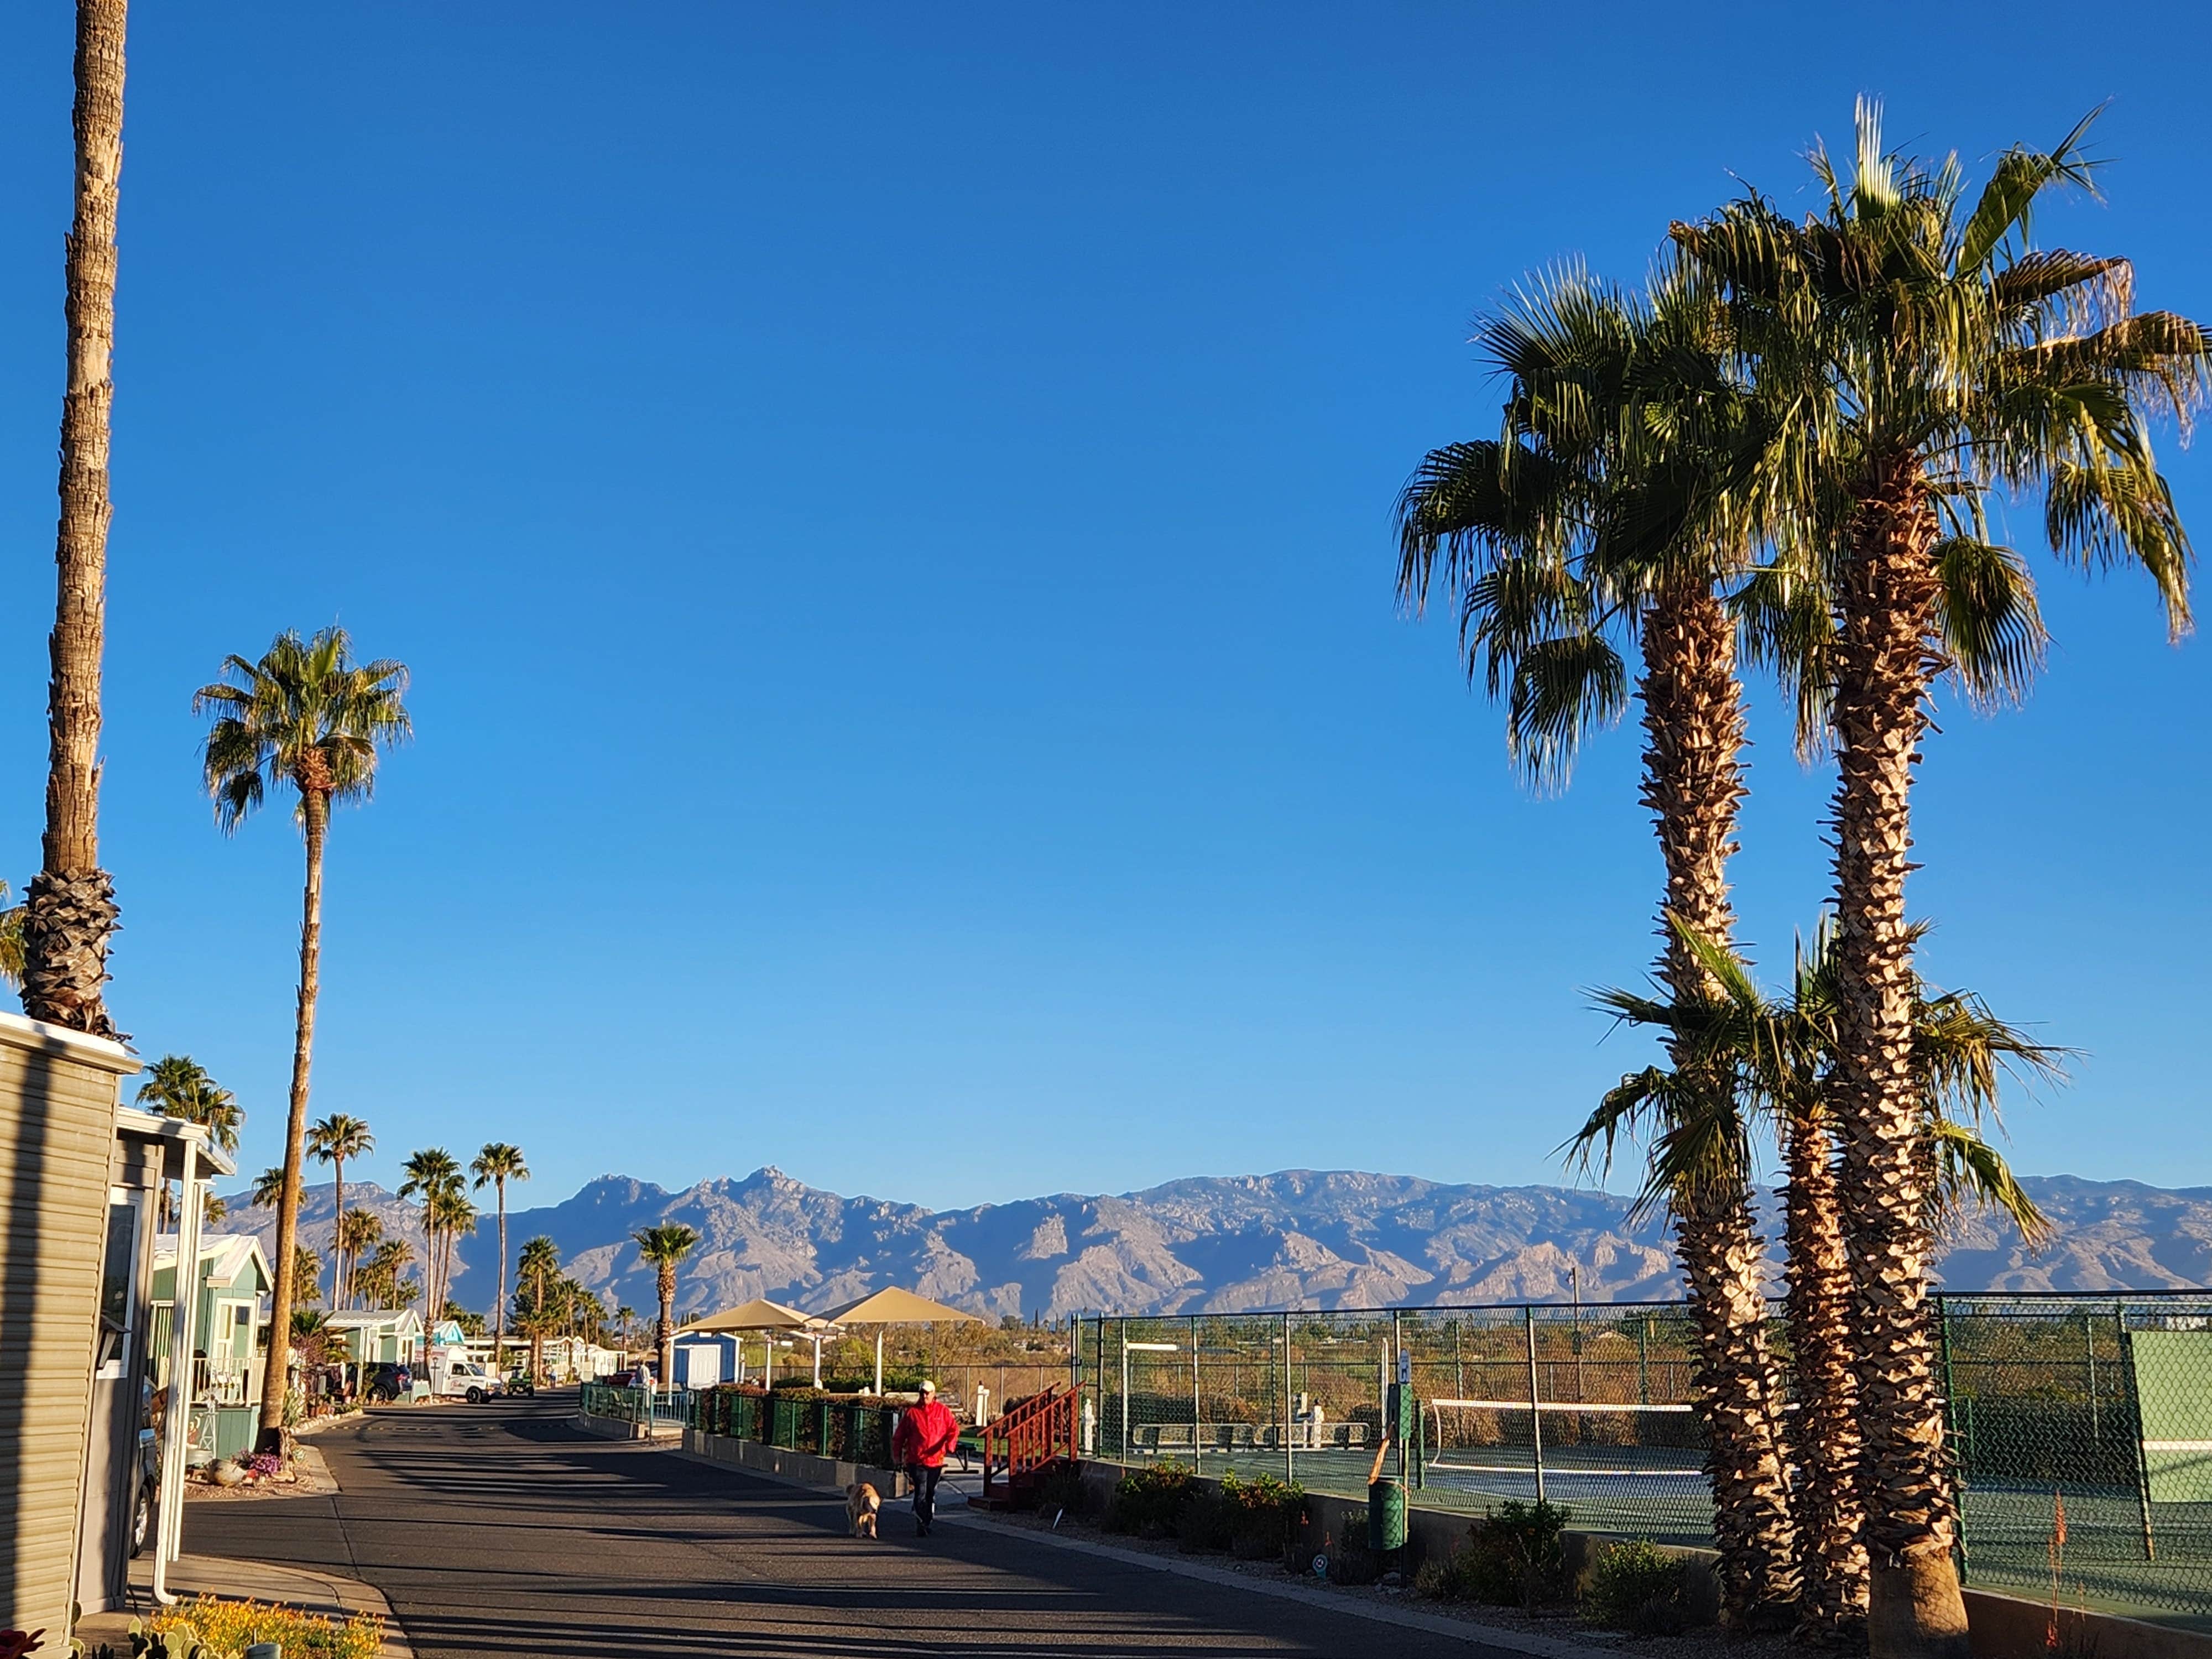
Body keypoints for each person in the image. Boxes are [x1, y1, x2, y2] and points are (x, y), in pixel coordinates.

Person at [891, 1378, 961, 1537]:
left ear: (933, 1394)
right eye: (922, 1393)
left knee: (930, 1492)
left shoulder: (943, 1411)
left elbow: (953, 1429)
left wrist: (950, 1444)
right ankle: (922, 1520)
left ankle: (926, 1520)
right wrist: (897, 1455)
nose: (924, 1396)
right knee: (920, 1490)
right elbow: (899, 1437)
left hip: (936, 1461)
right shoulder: (912, 1413)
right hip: (916, 1460)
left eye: (927, 1393)